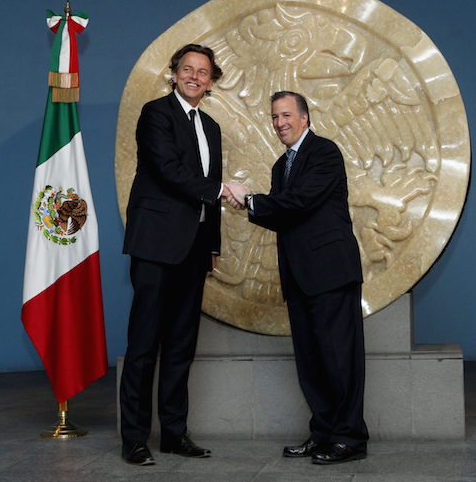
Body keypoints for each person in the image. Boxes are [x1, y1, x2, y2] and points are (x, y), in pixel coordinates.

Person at [120, 43, 242, 466]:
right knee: (143, 345)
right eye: (187, 69)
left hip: (193, 251)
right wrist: (222, 191)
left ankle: (174, 433)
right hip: (155, 245)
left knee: (181, 345)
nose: (194, 76)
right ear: (173, 74)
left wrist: (211, 245)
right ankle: (134, 437)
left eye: (203, 72)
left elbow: (206, 196)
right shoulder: (156, 113)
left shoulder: (210, 126)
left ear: (211, 82)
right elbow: (169, 170)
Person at [231, 91, 369, 464]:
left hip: (331, 273)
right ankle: (323, 434)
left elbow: (302, 202)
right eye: (275, 117)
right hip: (300, 276)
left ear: (305, 118)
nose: (280, 123)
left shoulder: (325, 152)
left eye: (287, 115)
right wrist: (248, 205)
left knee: (340, 359)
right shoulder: (281, 166)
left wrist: (251, 200)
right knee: (311, 362)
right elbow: (282, 217)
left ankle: (350, 438)